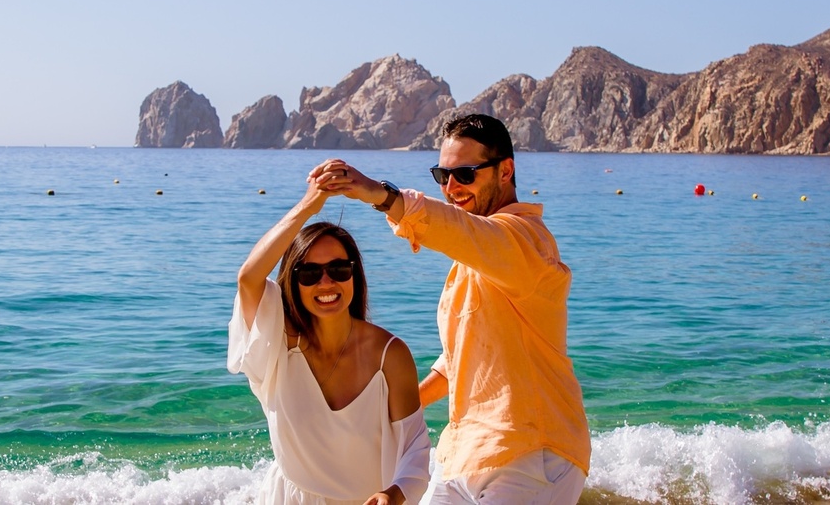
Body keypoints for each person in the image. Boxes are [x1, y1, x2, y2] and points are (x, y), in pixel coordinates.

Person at [313, 114, 589, 504]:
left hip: (534, 455)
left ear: (505, 170)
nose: (452, 187)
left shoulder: (526, 242)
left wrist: (380, 195)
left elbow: (459, 230)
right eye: (442, 176)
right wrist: (390, 410)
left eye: (465, 174)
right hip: (466, 454)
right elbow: (458, 361)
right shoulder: (477, 259)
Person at [231, 168, 430, 505]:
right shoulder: (278, 343)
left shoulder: (389, 355)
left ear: (354, 274)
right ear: (293, 281)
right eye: (309, 273)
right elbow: (249, 278)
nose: (326, 283)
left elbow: (415, 448)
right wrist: (310, 206)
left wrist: (394, 494)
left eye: (338, 269)